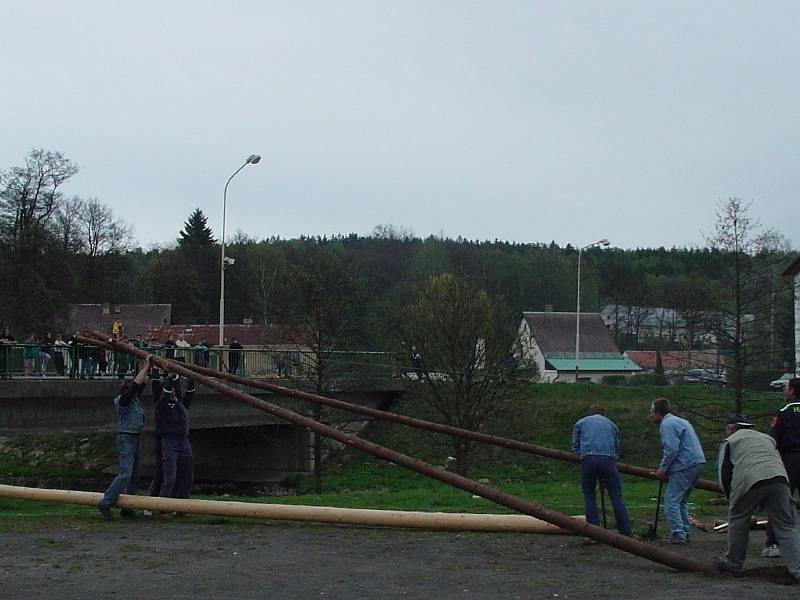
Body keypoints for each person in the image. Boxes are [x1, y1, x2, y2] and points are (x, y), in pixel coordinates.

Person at [715, 414, 800, 582]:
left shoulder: (730, 442)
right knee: (786, 526)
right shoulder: (767, 438)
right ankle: (798, 569)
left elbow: (724, 474)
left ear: (732, 428)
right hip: (780, 479)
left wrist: (731, 499)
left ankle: (733, 565)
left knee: (738, 519)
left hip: (750, 479)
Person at [97, 357, 151, 520]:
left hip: (134, 438)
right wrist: (146, 367)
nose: (136, 391)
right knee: (125, 474)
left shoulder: (134, 399)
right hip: (125, 439)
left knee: (134, 475)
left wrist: (144, 363)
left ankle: (128, 508)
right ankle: (105, 502)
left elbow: (141, 384)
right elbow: (136, 386)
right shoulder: (124, 401)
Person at [648, 397, 706, 543]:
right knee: (682, 500)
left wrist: (662, 469)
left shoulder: (667, 425)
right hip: (697, 461)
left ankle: (678, 533)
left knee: (671, 500)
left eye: (651, 412)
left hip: (684, 464)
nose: (650, 415)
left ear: (658, 412)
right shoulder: (681, 421)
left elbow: (672, 449)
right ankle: (684, 531)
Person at [571, 404, 632, 536]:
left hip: (588, 459)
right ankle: (625, 532)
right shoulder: (611, 424)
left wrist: (580, 455)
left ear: (590, 413)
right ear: (603, 414)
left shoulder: (581, 422)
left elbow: (575, 445)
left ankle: (594, 533)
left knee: (589, 495)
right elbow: (616, 446)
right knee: (616, 496)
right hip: (608, 460)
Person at [762, 377, 800, 558]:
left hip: (790, 459)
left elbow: (773, 439)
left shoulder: (784, 411)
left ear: (792, 391)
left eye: (786, 387)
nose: (784, 390)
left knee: (780, 501)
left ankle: (773, 544)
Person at [152, 368, 195, 502]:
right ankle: (161, 504)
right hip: (168, 442)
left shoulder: (180, 403)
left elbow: (190, 393)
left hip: (183, 441)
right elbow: (164, 391)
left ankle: (183, 504)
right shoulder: (162, 405)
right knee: (169, 477)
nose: (174, 393)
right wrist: (171, 377)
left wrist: (190, 378)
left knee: (187, 475)